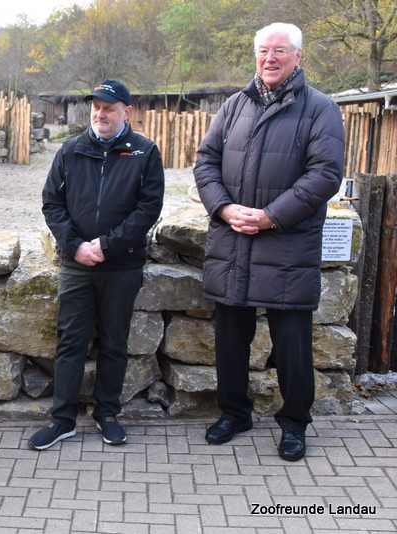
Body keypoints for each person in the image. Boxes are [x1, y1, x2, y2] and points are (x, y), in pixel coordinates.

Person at [194, 23, 345, 461]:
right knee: (230, 339)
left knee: (292, 345)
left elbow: (324, 176)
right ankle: (234, 413)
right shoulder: (235, 106)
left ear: (298, 57)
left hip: (287, 244)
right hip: (234, 241)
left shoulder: (320, 109)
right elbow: (205, 162)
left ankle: (295, 423)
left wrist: (269, 217)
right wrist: (223, 208)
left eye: (280, 51)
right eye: (263, 51)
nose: (270, 58)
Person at [30, 80, 165, 450]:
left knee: (113, 343)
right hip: (77, 265)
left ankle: (107, 414)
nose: (100, 113)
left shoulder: (144, 152)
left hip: (121, 266)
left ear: (127, 112)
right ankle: (62, 419)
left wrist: (107, 246)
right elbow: (51, 204)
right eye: (96, 107)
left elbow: (148, 209)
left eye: (108, 107)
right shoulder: (71, 150)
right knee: (70, 341)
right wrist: (75, 247)